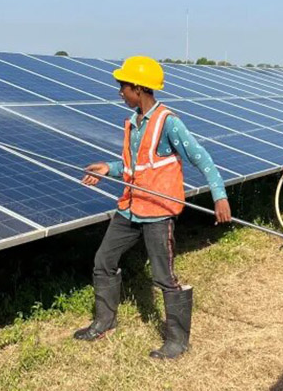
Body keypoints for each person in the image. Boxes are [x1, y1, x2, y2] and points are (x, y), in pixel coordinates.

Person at [73, 55, 231, 359]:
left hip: (158, 212)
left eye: (123, 86)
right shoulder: (133, 123)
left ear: (139, 88)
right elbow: (137, 167)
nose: (120, 92)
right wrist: (109, 168)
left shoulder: (168, 123)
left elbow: (202, 158)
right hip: (130, 208)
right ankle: (104, 322)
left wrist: (219, 196)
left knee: (163, 276)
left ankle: (177, 341)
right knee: (103, 260)